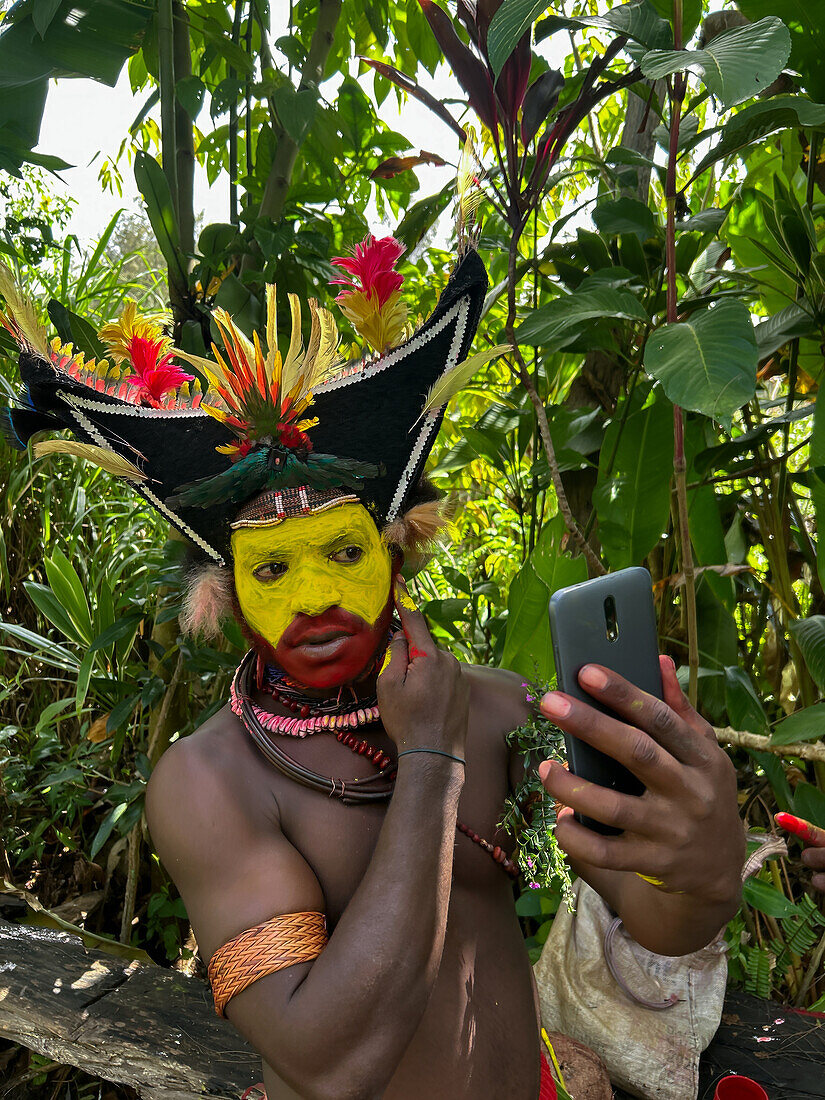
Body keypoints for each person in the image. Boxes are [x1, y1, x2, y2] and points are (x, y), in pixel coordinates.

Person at [2, 242, 744, 1099]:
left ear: (395, 559)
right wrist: (428, 757)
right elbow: (329, 1063)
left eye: (344, 552)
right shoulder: (211, 782)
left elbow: (662, 917)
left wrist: (703, 865)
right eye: (273, 569)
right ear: (230, 597)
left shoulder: (500, 709)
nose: (315, 597)